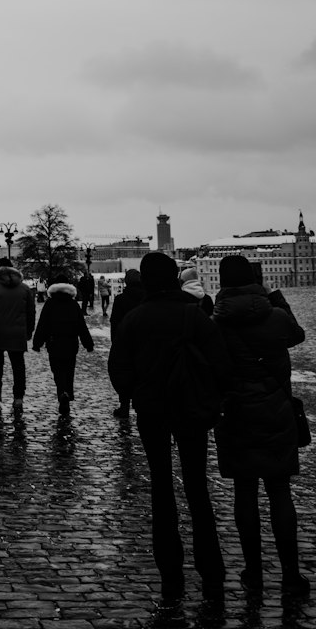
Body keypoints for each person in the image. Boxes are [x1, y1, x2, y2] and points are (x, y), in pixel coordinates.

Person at [108, 251, 230, 602]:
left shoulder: (135, 319)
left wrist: (134, 395)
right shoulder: (194, 316)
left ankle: (170, 567)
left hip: (153, 412)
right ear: (175, 280)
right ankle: (210, 565)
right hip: (191, 409)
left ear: (146, 281)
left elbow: (119, 367)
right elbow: (221, 364)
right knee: (196, 486)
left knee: (161, 485)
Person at [211, 254, 309, 599]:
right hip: (277, 414)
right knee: (280, 491)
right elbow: (297, 335)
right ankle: (291, 576)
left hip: (237, 416)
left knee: (245, 493)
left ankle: (253, 573)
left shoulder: (216, 323)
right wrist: (277, 299)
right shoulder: (277, 317)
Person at [32, 274, 94, 417]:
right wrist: (88, 344)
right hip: (71, 343)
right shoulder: (73, 304)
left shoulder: (50, 304)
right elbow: (81, 326)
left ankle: (62, 392)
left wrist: (37, 343)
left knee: (57, 370)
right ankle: (68, 392)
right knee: (69, 369)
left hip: (54, 342)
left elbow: (42, 325)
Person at [0, 259, 36, 407]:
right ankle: (18, 397)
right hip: (18, 333)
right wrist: (29, 331)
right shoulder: (24, 289)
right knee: (18, 365)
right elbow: (31, 312)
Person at [108, 269, 143, 418]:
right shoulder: (147, 297)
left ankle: (124, 406)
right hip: (144, 343)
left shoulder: (121, 299)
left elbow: (115, 322)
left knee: (124, 375)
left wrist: (115, 342)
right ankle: (142, 406)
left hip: (125, 344)